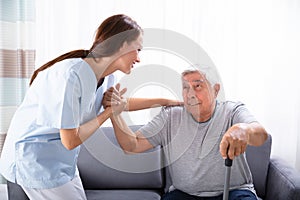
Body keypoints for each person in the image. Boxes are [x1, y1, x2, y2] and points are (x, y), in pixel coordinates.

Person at [0, 14, 180, 200]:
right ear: (122, 45)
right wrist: (109, 112)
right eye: (138, 49)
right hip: (33, 158)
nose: (139, 58)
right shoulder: (70, 75)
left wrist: (166, 101)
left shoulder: (107, 76)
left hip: (61, 160)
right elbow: (70, 140)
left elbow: (120, 104)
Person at [108, 67, 268, 200]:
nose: (190, 94)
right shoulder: (170, 116)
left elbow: (261, 135)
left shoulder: (232, 111)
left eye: (198, 86)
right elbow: (131, 145)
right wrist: (114, 113)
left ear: (215, 90)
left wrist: (244, 130)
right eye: (185, 87)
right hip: (184, 195)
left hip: (235, 192)